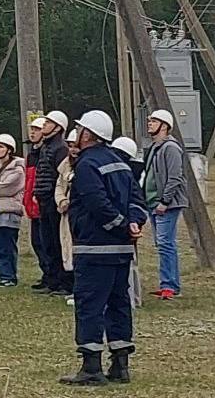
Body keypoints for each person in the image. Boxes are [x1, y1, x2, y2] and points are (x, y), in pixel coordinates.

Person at [58, 110, 147, 387]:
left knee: (90, 305)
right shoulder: (120, 162)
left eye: (80, 130)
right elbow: (137, 199)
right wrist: (132, 223)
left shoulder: (87, 165)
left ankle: (91, 366)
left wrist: (120, 224)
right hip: (122, 250)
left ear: (89, 135)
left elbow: (96, 202)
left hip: (95, 248)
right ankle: (120, 364)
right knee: (119, 303)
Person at [142, 108, 188, 300]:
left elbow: (175, 177)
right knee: (161, 243)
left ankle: (170, 285)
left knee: (166, 244)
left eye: (154, 121)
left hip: (165, 204)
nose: (150, 123)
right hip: (153, 202)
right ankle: (167, 283)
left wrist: (165, 201)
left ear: (164, 125)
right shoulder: (155, 147)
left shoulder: (171, 148)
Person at [34, 110, 72, 295]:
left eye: (48, 123)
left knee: (58, 243)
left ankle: (64, 282)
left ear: (58, 127)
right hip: (43, 201)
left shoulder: (60, 148)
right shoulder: (46, 146)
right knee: (47, 242)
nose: (44, 125)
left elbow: (61, 176)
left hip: (53, 202)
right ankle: (52, 280)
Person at [0, 133, 25, 287]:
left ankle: (9, 276)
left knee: (7, 245)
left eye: (1, 146)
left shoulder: (18, 169)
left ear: (10, 149)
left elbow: (7, 188)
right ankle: (3, 276)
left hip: (10, 211)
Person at [111, 136, 145, 310]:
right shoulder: (132, 172)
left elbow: (136, 200)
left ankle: (133, 298)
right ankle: (134, 298)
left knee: (128, 263)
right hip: (130, 222)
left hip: (124, 224)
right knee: (131, 262)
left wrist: (131, 221)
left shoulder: (126, 175)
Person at [55, 128, 82, 305]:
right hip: (66, 214)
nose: (73, 149)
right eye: (70, 146)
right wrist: (62, 201)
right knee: (67, 248)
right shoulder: (65, 164)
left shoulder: (87, 164)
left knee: (79, 250)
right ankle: (73, 287)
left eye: (76, 146)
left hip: (80, 214)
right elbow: (59, 186)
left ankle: (80, 289)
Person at [24, 116, 48, 289]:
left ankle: (52, 276)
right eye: (31, 129)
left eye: (36, 129)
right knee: (37, 242)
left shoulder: (46, 152)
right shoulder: (31, 154)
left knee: (47, 243)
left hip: (43, 204)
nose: (33, 132)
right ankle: (45, 274)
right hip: (32, 206)